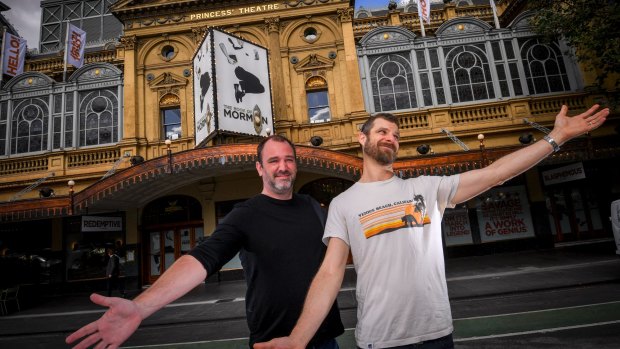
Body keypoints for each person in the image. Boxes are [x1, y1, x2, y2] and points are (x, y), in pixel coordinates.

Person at [255, 104, 609, 349]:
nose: (390, 138)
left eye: (395, 134)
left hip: (437, 335)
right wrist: (299, 338)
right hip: (380, 339)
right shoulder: (343, 204)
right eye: (381, 131)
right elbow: (330, 274)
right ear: (361, 139)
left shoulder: (426, 187)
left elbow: (496, 173)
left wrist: (555, 138)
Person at [66, 135, 344, 349]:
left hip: (326, 337)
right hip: (273, 341)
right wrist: (141, 306)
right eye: (273, 161)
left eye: (289, 160)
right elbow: (202, 259)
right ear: (260, 168)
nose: (282, 167)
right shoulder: (245, 215)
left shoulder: (312, 206)